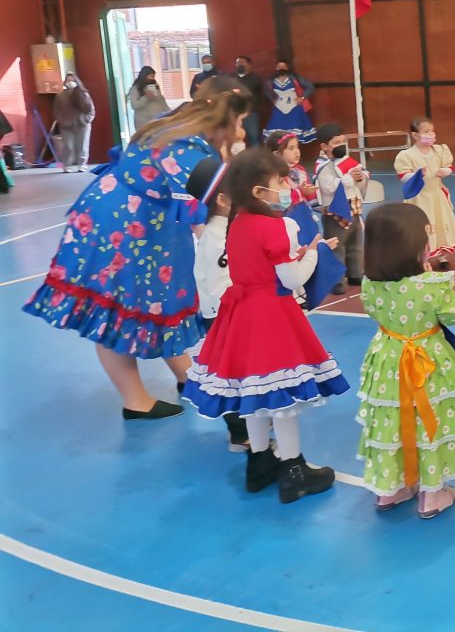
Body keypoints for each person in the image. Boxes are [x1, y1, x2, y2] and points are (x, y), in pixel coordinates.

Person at [24, 81, 249, 419]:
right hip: (123, 227)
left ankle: (187, 377)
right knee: (117, 308)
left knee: (158, 301)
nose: (242, 129)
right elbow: (205, 217)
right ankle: (135, 401)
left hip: (139, 222)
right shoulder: (189, 149)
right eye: (241, 121)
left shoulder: (174, 123)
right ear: (224, 119)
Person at [182, 149, 349, 503]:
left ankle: (259, 464)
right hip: (271, 316)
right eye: (280, 181)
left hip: (240, 316)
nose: (287, 187)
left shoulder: (235, 224)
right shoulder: (278, 227)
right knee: (282, 400)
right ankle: (294, 470)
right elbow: (289, 279)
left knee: (253, 395)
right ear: (259, 191)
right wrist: (314, 254)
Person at [357, 203, 455, 517]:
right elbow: (454, 315)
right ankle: (432, 494)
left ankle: (392, 488)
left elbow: (372, 312)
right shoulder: (432, 285)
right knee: (429, 420)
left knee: (390, 419)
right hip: (427, 359)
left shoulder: (370, 283)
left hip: (386, 358)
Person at [185, 157, 250, 452]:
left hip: (228, 314)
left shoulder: (224, 229)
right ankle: (240, 432)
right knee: (232, 375)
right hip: (227, 317)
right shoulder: (219, 238)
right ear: (223, 200)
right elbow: (226, 283)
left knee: (238, 372)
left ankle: (246, 425)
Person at [395, 117, 455, 269]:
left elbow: (450, 166)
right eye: (426, 131)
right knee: (422, 227)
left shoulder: (439, 151)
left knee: (439, 224)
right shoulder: (407, 155)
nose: (431, 134)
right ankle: (422, 257)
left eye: (432, 131)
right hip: (419, 197)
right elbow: (403, 176)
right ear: (415, 135)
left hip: (436, 195)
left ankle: (441, 255)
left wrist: (446, 171)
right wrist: (416, 175)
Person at [314, 123, 368, 293]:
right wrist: (349, 178)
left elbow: (362, 175)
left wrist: (361, 177)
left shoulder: (347, 160)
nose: (341, 146)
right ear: (324, 146)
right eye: (336, 143)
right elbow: (328, 187)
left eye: (343, 141)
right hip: (335, 212)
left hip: (354, 209)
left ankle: (355, 273)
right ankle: (336, 281)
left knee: (355, 245)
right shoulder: (323, 166)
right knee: (337, 247)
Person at [264, 59, 316, 143]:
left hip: (294, 109)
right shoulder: (270, 81)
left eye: (283, 66)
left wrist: (302, 98)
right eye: (279, 67)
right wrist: (272, 98)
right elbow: (266, 91)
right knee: (276, 133)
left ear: (287, 68)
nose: (281, 68)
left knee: (295, 133)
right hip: (278, 109)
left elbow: (310, 86)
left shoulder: (295, 78)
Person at [54, 73, 94, 173]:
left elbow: (91, 110)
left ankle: (82, 164)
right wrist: (62, 121)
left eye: (72, 80)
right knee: (68, 146)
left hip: (82, 125)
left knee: (83, 146)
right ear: (64, 82)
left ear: (77, 82)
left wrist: (85, 120)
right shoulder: (60, 96)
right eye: (68, 80)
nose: (70, 82)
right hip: (66, 126)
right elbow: (56, 111)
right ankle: (66, 165)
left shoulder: (84, 94)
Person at [267, 131, 317, 207]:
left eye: (297, 147)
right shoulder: (274, 175)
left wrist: (310, 192)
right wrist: (300, 192)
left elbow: (308, 198)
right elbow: (281, 203)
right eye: (291, 148)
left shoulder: (300, 169)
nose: (297, 152)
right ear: (277, 154)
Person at [233, 56, 266, 147]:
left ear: (249, 65)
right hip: (233, 113)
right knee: (234, 137)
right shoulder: (230, 77)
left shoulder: (255, 79)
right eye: (237, 63)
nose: (239, 65)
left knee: (253, 136)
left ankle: (255, 159)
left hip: (250, 113)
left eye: (242, 63)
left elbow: (248, 93)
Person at [128, 66, 168, 131]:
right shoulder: (135, 88)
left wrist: (169, 112)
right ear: (144, 76)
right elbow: (134, 105)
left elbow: (161, 100)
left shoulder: (155, 86)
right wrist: (146, 97)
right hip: (144, 123)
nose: (152, 79)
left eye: (153, 76)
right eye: (150, 76)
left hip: (158, 121)